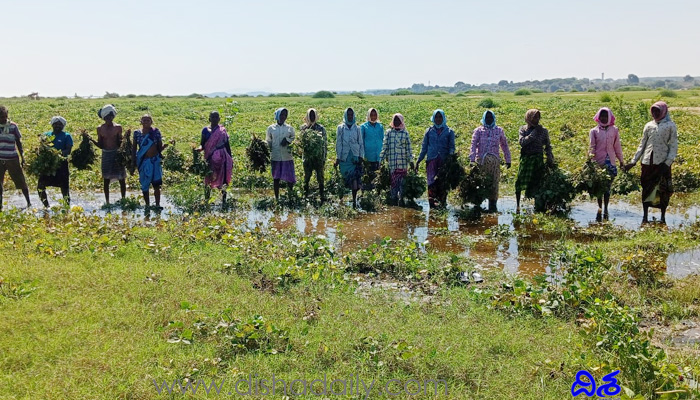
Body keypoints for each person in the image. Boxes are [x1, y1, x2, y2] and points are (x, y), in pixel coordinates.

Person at [624, 101, 678, 224]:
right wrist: (633, 162)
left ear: (663, 111)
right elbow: (642, 144)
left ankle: (663, 216)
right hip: (647, 162)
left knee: (662, 190)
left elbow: (673, 146)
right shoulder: (649, 125)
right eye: (653, 111)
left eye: (657, 111)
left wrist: (667, 163)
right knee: (646, 188)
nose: (654, 113)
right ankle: (645, 216)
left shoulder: (670, 125)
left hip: (662, 163)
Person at [469, 110, 511, 212]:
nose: (488, 119)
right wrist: (472, 159)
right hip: (481, 162)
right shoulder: (478, 130)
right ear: (484, 118)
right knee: (480, 182)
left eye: (490, 117)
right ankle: (477, 204)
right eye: (487, 117)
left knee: (493, 183)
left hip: (494, 163)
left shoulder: (499, 130)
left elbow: (504, 145)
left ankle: (492, 205)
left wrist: (508, 159)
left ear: (493, 118)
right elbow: (473, 145)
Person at [515, 109, 554, 212]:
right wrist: (534, 133)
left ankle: (537, 206)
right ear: (528, 118)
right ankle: (518, 205)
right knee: (519, 182)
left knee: (537, 182)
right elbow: (522, 142)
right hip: (526, 159)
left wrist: (550, 157)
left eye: (538, 117)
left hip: (538, 159)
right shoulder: (523, 129)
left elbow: (548, 146)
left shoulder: (544, 131)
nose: (536, 119)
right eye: (534, 117)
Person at [415, 109, 455, 209]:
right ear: (433, 118)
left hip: (444, 161)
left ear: (443, 118)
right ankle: (432, 206)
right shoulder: (429, 131)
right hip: (431, 160)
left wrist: (450, 158)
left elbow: (452, 147)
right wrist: (419, 160)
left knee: (442, 182)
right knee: (431, 182)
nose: (438, 119)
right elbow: (424, 147)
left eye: (440, 117)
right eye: (436, 117)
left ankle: (442, 205)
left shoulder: (449, 131)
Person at [589, 107, 624, 220]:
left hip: (611, 162)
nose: (603, 118)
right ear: (598, 117)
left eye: (605, 116)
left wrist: (621, 161)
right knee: (599, 187)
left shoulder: (614, 130)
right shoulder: (594, 131)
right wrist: (590, 162)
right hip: (598, 162)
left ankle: (606, 208)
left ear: (609, 117)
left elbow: (617, 146)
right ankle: (600, 207)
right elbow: (592, 147)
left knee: (607, 188)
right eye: (602, 116)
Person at [88, 104, 126, 204]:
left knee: (121, 178)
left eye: (111, 116)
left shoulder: (118, 127)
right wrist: (91, 139)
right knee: (106, 179)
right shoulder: (100, 128)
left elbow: (119, 142)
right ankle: (107, 201)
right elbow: (100, 144)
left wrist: (125, 138)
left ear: (113, 116)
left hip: (117, 154)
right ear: (103, 118)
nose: (109, 119)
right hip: (106, 155)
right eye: (107, 117)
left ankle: (123, 199)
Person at [132, 115, 169, 209]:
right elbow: (134, 148)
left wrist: (164, 147)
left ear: (151, 122)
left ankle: (157, 205)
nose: (146, 122)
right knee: (145, 184)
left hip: (155, 161)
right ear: (141, 121)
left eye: (148, 120)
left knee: (156, 184)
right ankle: (147, 205)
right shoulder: (137, 133)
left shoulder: (156, 132)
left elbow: (159, 147)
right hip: (143, 161)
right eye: (144, 120)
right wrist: (133, 162)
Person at [197, 111, 232, 204]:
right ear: (209, 119)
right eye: (213, 117)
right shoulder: (205, 130)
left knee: (223, 179)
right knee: (208, 178)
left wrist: (230, 159)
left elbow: (227, 145)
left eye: (216, 117)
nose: (215, 119)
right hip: (209, 157)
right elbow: (202, 144)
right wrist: (199, 149)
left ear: (219, 119)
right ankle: (207, 200)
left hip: (222, 158)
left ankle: (224, 201)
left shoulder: (222, 131)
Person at [0, 105, 31, 210]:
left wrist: (22, 156)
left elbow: (18, 142)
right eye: (0, 117)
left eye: (4, 116)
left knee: (20, 181)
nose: (2, 119)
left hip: (12, 158)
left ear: (7, 115)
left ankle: (29, 202)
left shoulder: (13, 126)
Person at [38, 116, 73, 207]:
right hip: (48, 165)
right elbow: (41, 148)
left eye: (60, 124)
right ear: (52, 125)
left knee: (64, 188)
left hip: (61, 164)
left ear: (63, 126)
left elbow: (68, 150)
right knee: (40, 187)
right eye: (55, 124)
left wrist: (57, 154)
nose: (57, 126)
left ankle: (67, 207)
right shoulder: (46, 135)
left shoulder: (66, 136)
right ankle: (47, 207)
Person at [380, 113, 413, 205]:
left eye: (398, 120)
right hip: (393, 164)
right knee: (393, 186)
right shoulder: (389, 133)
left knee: (402, 186)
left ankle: (401, 201)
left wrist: (411, 161)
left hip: (402, 164)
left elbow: (408, 149)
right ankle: (394, 202)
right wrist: (381, 159)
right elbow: (385, 147)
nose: (396, 122)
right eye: (395, 120)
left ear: (402, 121)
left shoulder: (405, 133)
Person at [334, 108, 364, 208]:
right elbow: (338, 143)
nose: (350, 117)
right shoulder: (340, 128)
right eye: (348, 115)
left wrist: (361, 156)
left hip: (354, 157)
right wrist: (338, 157)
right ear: (346, 116)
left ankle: (354, 200)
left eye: (351, 115)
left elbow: (360, 143)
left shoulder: (357, 128)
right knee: (346, 178)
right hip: (344, 158)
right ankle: (342, 199)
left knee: (355, 178)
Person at [267, 108, 296, 201]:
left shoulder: (289, 128)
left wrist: (287, 140)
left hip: (287, 156)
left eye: (285, 115)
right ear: (277, 116)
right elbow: (268, 141)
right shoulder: (271, 128)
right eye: (281, 115)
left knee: (290, 179)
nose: (283, 117)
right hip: (275, 156)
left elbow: (294, 138)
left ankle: (290, 196)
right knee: (276, 178)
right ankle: (277, 198)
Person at [300, 108, 327, 200]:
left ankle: (322, 196)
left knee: (320, 178)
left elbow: (324, 144)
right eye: (310, 115)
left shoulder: (321, 128)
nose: (312, 117)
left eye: (313, 115)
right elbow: (301, 144)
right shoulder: (303, 128)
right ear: (307, 116)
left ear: (316, 116)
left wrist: (324, 158)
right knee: (307, 177)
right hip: (307, 158)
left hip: (318, 158)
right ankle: (305, 195)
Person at [360, 108, 384, 189]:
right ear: (368, 116)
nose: (373, 117)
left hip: (378, 156)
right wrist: (362, 155)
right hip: (368, 156)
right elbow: (361, 142)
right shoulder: (363, 126)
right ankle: (366, 193)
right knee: (367, 176)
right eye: (371, 115)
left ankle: (376, 194)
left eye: (375, 115)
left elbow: (382, 139)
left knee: (377, 177)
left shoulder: (380, 126)